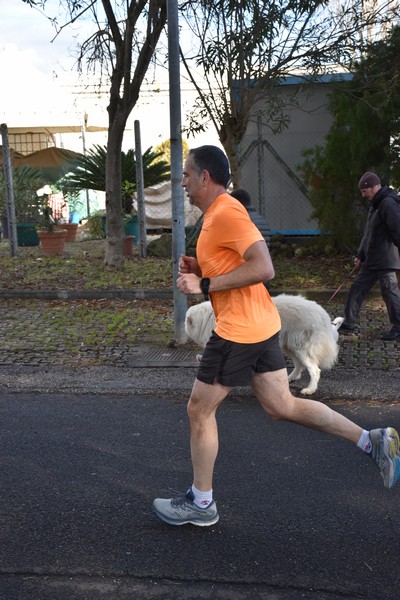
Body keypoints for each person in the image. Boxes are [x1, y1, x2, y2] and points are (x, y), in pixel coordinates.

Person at [152, 146, 400, 527]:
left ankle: (201, 503)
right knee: (281, 406)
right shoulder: (216, 216)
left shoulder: (227, 212)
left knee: (199, 409)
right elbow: (236, 267)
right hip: (260, 324)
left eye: (186, 174)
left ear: (205, 177)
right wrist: (202, 266)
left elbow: (263, 267)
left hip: (239, 330)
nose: (182, 182)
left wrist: (203, 281)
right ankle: (374, 440)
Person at [339, 172, 400, 341]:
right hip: (372, 259)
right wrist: (361, 254)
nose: (363, 195)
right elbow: (369, 234)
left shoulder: (388, 204)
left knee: (390, 293)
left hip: (386, 259)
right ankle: (348, 322)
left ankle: (398, 327)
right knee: (357, 287)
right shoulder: (376, 204)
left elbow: (398, 229)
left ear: (374, 188)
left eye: (365, 191)